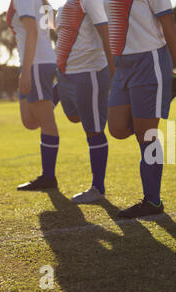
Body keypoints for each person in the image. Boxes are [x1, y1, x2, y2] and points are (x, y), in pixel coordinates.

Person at [106, 0, 176, 218]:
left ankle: (152, 200)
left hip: (150, 59)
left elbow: (168, 24)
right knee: (116, 128)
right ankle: (167, 92)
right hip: (122, 64)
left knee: (146, 135)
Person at [55, 0, 114, 203]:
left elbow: (106, 33)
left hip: (90, 73)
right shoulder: (64, 6)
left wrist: (114, 73)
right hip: (66, 75)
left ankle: (98, 188)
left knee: (94, 130)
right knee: (73, 117)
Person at [7, 0, 60, 191]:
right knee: (29, 121)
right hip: (36, 63)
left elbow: (33, 31)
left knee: (46, 121)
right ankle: (60, 88)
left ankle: (48, 177)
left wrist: (27, 70)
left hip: (37, 64)